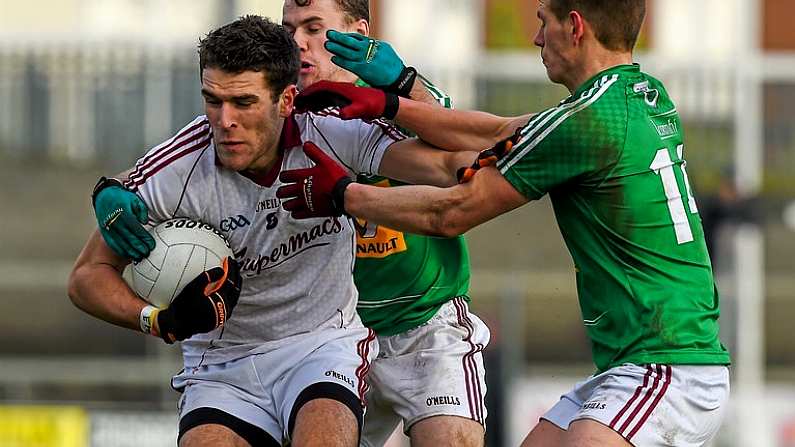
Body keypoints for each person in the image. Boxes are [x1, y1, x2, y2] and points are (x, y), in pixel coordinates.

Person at [277, 0, 732, 446]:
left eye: (542, 22)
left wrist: (341, 194)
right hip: (634, 365)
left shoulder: (589, 121)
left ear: (574, 27)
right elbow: (498, 131)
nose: (536, 38)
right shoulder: (636, 95)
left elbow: (449, 212)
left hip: (668, 365)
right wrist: (392, 100)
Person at [92, 1, 494, 446]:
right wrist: (112, 190)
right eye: (289, 29)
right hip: (304, 335)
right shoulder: (258, 123)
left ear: (359, 33)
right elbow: (139, 197)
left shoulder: (374, 114)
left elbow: (465, 154)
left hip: (412, 322)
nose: (297, 41)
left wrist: (402, 88)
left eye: (314, 28)